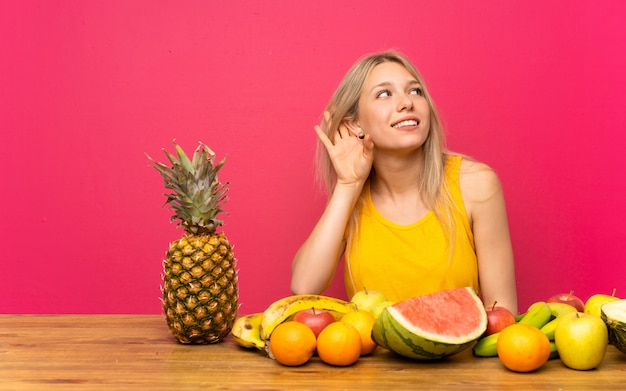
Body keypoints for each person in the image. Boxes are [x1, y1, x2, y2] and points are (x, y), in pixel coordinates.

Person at [290, 51, 518, 314]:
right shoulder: (352, 201)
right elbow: (303, 285)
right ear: (354, 125)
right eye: (384, 94)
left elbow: (502, 315)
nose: (407, 103)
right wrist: (347, 184)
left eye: (415, 91)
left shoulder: (477, 185)